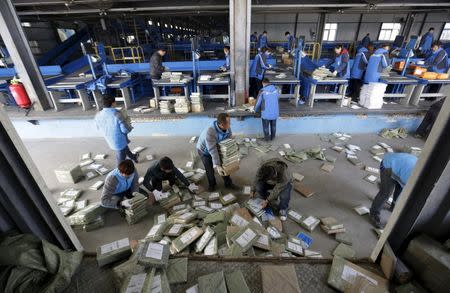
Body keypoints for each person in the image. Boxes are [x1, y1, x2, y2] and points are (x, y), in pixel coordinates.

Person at [369, 153, 418, 228]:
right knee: (386, 193)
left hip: (399, 165)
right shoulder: (411, 178)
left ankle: (393, 205)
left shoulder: (413, 177)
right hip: (388, 166)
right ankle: (373, 213)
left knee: (400, 187)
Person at [196, 113, 238, 191]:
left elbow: (229, 140)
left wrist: (231, 151)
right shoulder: (210, 131)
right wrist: (218, 165)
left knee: (224, 165)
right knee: (210, 169)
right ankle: (212, 185)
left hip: (218, 147)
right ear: (222, 125)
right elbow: (212, 150)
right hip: (204, 151)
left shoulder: (227, 128)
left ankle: (228, 183)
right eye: (228, 122)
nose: (230, 124)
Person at [95, 95, 138, 166]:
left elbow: (98, 128)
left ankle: (133, 157)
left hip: (109, 139)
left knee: (125, 148)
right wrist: (129, 126)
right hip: (119, 140)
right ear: (113, 103)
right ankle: (119, 173)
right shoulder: (117, 114)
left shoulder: (98, 115)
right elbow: (125, 130)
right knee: (121, 160)